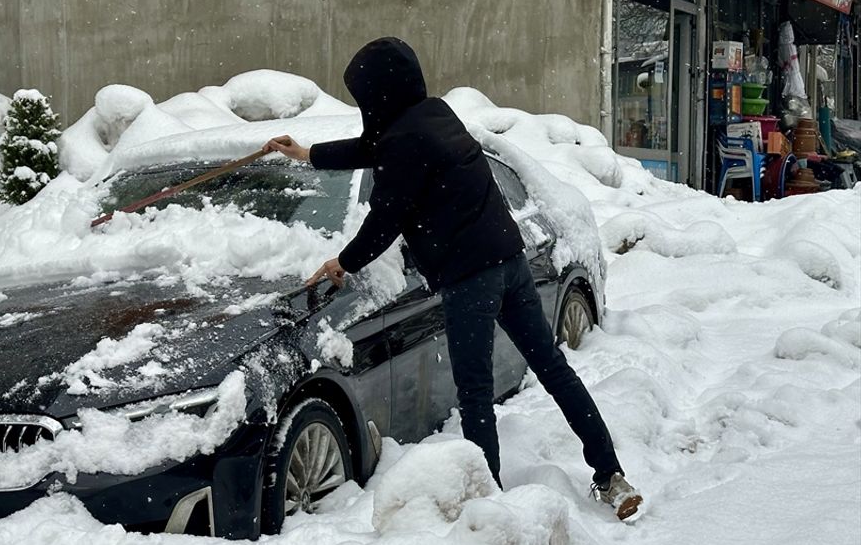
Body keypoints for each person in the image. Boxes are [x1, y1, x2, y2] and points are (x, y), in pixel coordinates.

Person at [263, 37, 643, 520]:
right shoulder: (434, 114)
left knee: (476, 396)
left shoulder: (402, 142)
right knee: (552, 368)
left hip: (470, 279)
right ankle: (610, 475)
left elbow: (385, 220)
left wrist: (343, 263)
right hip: (510, 261)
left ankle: (491, 512)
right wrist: (308, 154)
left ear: (378, 94)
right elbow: (375, 148)